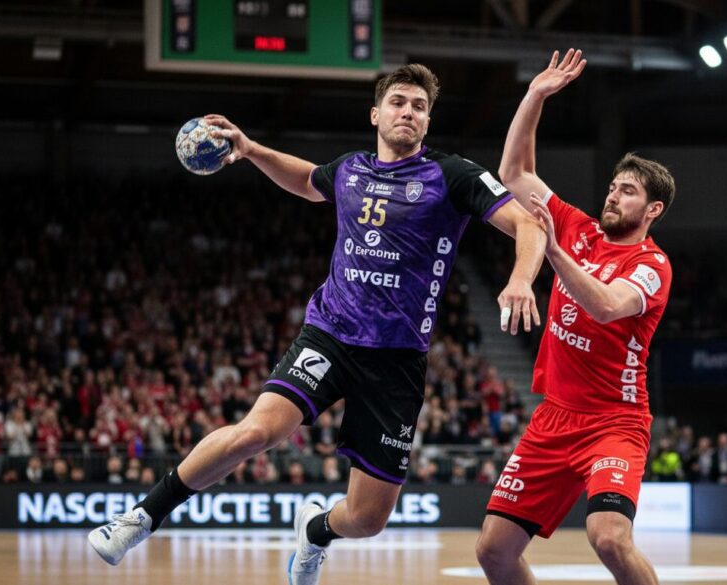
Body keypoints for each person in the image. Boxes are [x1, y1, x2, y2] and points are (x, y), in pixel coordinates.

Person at [88, 63, 546, 584]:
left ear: (427, 120)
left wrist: (520, 279)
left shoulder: (453, 175)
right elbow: (308, 181)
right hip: (330, 333)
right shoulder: (351, 170)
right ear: (376, 113)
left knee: (368, 519)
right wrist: (253, 150)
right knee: (254, 433)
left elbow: (528, 224)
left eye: (420, 106)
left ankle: (317, 531)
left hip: (396, 360)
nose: (409, 113)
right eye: (398, 102)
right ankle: (141, 517)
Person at [476, 49, 675, 585]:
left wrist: (556, 255)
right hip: (554, 418)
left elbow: (607, 306)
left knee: (608, 537)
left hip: (615, 422)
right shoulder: (581, 227)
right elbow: (514, 172)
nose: (613, 195)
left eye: (628, 191)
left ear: (652, 210)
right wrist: (534, 96)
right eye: (613, 186)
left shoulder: (652, 264)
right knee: (493, 552)